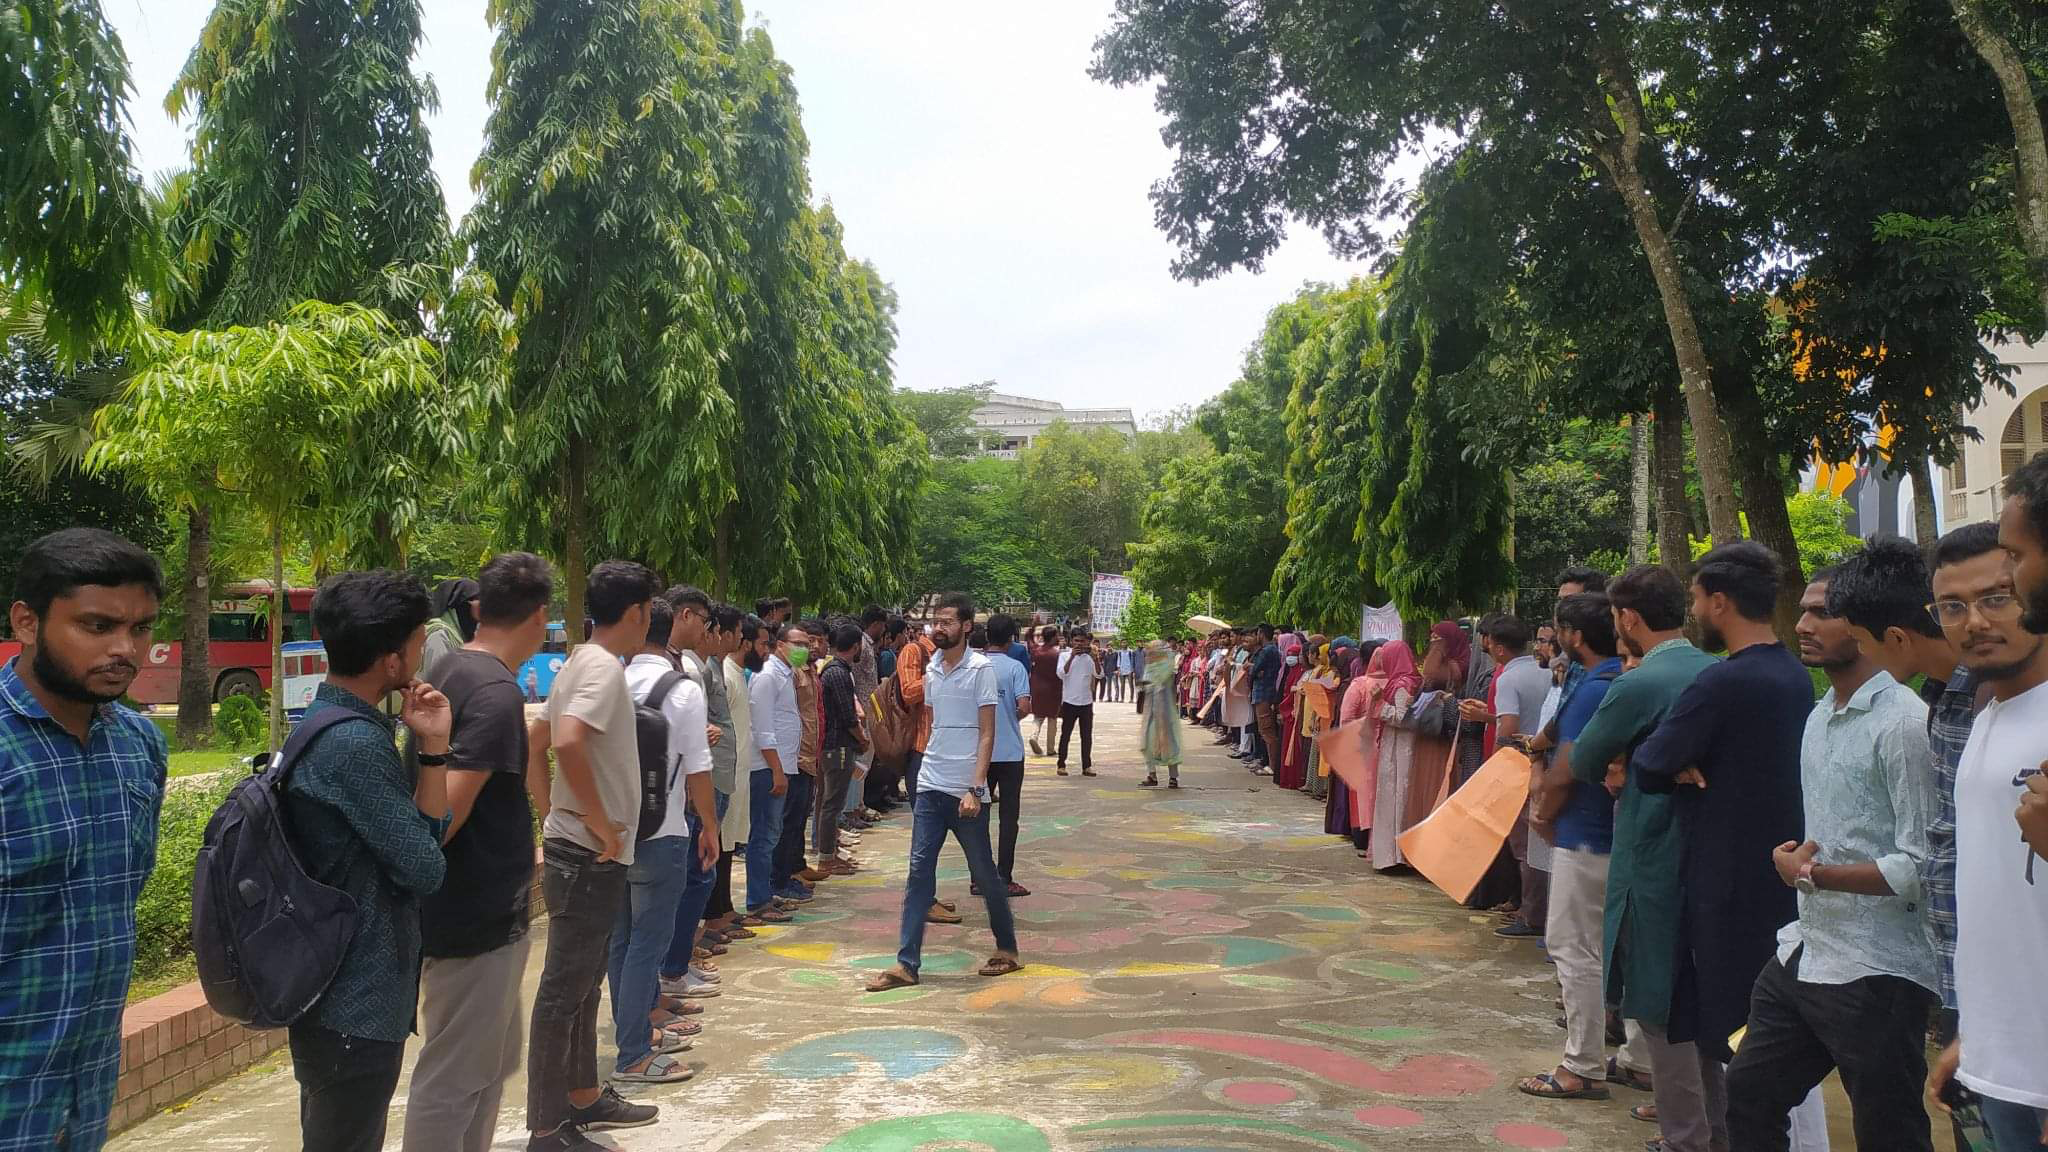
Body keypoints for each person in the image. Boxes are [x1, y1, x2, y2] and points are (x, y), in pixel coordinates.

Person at [1723, 567, 1938, 1152]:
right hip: (1808, 950)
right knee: (1747, 1093)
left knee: (1888, 1128)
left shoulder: (1904, 723)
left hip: (1879, 971)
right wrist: (1800, 861)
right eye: (1804, 610)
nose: (1802, 623)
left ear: (1866, 627)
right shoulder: (1820, 715)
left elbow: (1921, 867)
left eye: (1821, 612)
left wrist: (1814, 876)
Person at [1616, 544, 1811, 1135]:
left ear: (1719, 602)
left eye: (1698, 597)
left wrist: (1677, 765)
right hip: (1781, 871)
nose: (1694, 608)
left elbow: (1650, 761)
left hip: (1719, 874)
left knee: (1717, 1022)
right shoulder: (1795, 677)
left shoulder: (1723, 681)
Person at [0, 529, 166, 1152]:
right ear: (27, 621)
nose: (125, 649)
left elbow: (123, 894)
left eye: (141, 628)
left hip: (85, 1097)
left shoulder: (138, 745)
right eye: (96, 626)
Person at [283, 570, 451, 1152]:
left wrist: (432, 748)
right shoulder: (352, 744)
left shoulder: (332, 723)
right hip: (354, 1001)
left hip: (346, 997)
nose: (422, 651)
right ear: (391, 659)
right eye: (418, 640)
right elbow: (427, 867)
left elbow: (421, 842)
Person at [1563, 565, 1719, 1152]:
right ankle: (1710, 1128)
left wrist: (1626, 760)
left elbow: (1583, 760)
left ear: (1628, 619)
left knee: (1657, 1000)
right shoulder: (1715, 671)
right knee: (1705, 1002)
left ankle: (1684, 1137)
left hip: (1650, 850)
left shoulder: (1640, 684)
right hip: (1710, 856)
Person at [406, 553, 554, 1152]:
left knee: (486, 1071)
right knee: (456, 1077)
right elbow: (440, 820)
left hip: (477, 913)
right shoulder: (493, 695)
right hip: (472, 918)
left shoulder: (451, 668)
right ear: (540, 616)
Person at [1926, 479, 2048, 1152]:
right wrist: (1976, 1035)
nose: (1975, 621)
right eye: (1952, 606)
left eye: (1996, 597)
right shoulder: (1984, 716)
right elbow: (2001, 899)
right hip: (2003, 1063)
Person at [527, 561, 662, 1151]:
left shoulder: (579, 661)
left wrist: (550, 809)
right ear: (637, 613)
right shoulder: (603, 668)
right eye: (649, 611)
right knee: (563, 991)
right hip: (585, 854)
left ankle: (582, 1097)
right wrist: (598, 821)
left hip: (579, 848)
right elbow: (564, 740)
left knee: (583, 986)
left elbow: (538, 742)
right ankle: (547, 1127)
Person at [863, 593, 1023, 992]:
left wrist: (976, 785)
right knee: (918, 874)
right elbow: (932, 723)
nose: (940, 626)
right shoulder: (932, 668)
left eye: (949, 621)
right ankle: (906, 963)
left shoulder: (981, 669)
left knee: (985, 875)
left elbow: (987, 732)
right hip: (931, 784)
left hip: (965, 791)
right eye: (937, 620)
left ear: (967, 626)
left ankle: (1007, 950)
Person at [1519, 592, 1635, 1102]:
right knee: (1623, 950)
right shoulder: (1609, 679)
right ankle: (1640, 1058)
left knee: (1574, 946)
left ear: (1575, 636)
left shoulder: (1594, 687)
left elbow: (1570, 763)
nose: (1553, 640)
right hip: (1613, 833)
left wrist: (1542, 808)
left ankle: (1583, 1063)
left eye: (1557, 630)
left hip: (1585, 834)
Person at [606, 596, 719, 1087]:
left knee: (622, 942)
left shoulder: (610, 680)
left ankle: (636, 1030)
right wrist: (710, 828)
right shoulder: (682, 689)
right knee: (646, 946)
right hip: (664, 831)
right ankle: (634, 1052)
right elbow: (698, 769)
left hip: (611, 834)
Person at [1475, 616, 1551, 939]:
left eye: (1489, 641)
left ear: (1500, 648)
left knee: (1523, 843)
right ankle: (1533, 907)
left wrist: (1496, 767)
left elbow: (1507, 727)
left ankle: (1531, 913)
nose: (1486, 646)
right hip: (1545, 759)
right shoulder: (1545, 671)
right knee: (1539, 839)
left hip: (1520, 762)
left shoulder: (1508, 679)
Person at [748, 622, 805, 921]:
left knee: (773, 832)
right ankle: (758, 899)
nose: (803, 649)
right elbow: (762, 728)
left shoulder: (786, 674)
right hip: (767, 768)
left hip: (782, 765)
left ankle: (765, 894)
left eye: (806, 643)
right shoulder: (768, 675)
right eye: (797, 643)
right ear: (780, 644)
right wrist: (777, 770)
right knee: (764, 835)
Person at [979, 615, 1033, 894]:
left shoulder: (974, 667)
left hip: (979, 755)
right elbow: (1024, 706)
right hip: (1010, 752)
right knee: (1009, 817)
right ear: (1012, 638)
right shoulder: (1015, 668)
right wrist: (1009, 718)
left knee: (978, 816)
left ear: (987, 636)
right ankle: (1004, 877)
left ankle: (979, 878)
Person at [817, 623, 865, 874]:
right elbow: (848, 716)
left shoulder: (833, 670)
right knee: (832, 804)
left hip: (833, 745)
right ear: (856, 646)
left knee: (830, 802)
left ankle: (831, 852)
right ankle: (826, 857)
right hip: (838, 746)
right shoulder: (838, 673)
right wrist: (863, 738)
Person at [1141, 638, 1185, 788]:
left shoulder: (1167, 664)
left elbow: (1162, 681)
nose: (1150, 653)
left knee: (1169, 743)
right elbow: (1146, 683)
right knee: (1148, 742)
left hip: (1165, 712)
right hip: (1151, 710)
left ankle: (1173, 777)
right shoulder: (1150, 665)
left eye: (1153, 650)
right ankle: (1151, 774)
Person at [1056, 628, 1099, 777]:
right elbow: (1061, 674)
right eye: (1076, 641)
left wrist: (1096, 658)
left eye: (1082, 641)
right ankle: (1061, 764)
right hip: (1069, 701)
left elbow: (1099, 674)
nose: (1079, 644)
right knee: (1065, 734)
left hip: (1086, 702)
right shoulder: (1063, 656)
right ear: (1071, 641)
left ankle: (1086, 766)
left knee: (1086, 736)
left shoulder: (1088, 659)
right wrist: (1072, 657)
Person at [422, 576, 482, 682]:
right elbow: (438, 682)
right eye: (477, 598)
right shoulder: (439, 636)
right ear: (461, 605)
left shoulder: (461, 636)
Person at [1249, 624, 1284, 775]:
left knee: (1267, 731)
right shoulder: (1270, 650)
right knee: (1264, 730)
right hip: (1262, 693)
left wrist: (1251, 669)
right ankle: (1269, 763)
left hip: (1264, 693)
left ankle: (1273, 766)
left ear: (1261, 634)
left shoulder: (1267, 650)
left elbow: (1253, 670)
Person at [1028, 625, 1062, 756]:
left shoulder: (1036, 650)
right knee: (1052, 718)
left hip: (1037, 688)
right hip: (1053, 688)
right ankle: (1050, 748)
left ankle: (1033, 736)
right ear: (1053, 637)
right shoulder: (1057, 654)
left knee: (1038, 716)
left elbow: (1029, 639)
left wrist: (1033, 625)